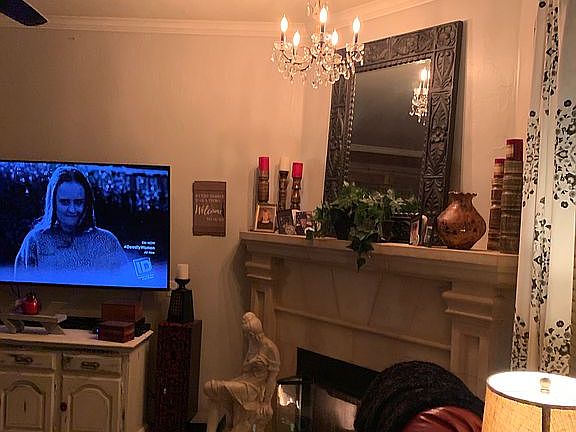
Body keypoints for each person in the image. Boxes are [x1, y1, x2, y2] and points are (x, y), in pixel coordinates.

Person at [14, 166, 130, 283]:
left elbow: (125, 285)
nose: (72, 209)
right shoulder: (36, 241)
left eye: (78, 202)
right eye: (65, 202)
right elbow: (21, 289)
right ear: (53, 202)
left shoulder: (106, 241)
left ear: (87, 203)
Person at [204, 312, 280, 432]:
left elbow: (272, 379)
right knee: (211, 392)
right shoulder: (252, 344)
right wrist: (252, 362)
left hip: (254, 389)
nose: (245, 336)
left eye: (246, 334)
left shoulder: (270, 349)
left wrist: (266, 402)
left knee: (211, 387)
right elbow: (245, 369)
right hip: (244, 381)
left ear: (252, 334)